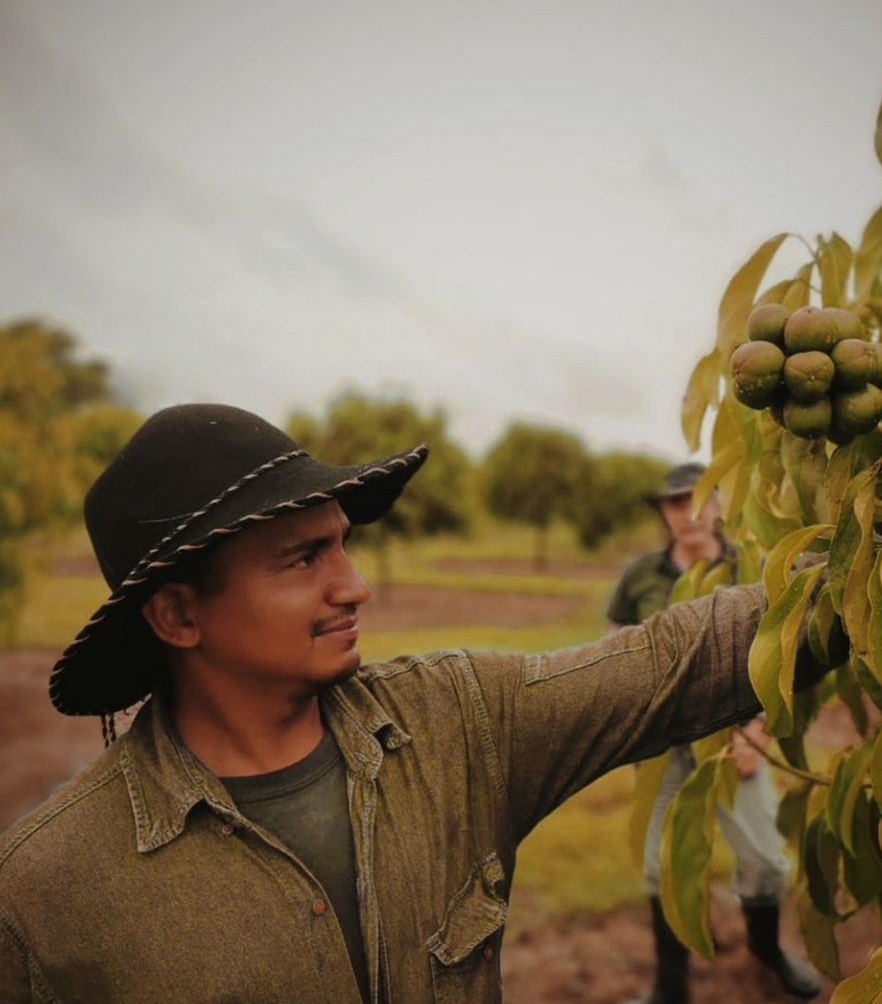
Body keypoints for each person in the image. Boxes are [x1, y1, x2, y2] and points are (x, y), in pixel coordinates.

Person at [0, 404, 822, 1004]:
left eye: (344, 545)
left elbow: (669, 661)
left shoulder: (456, 721)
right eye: (302, 558)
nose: (353, 585)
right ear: (179, 614)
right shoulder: (43, 896)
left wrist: (866, 573)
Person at [608, 462, 821, 1003]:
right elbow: (611, 658)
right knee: (664, 867)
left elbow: (780, 654)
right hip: (664, 748)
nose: (692, 513)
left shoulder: (751, 569)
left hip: (735, 741)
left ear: (722, 503)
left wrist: (760, 730)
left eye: (702, 499)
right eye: (677, 503)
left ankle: (767, 951)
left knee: (768, 863)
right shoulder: (640, 578)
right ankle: (670, 986)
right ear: (664, 513)